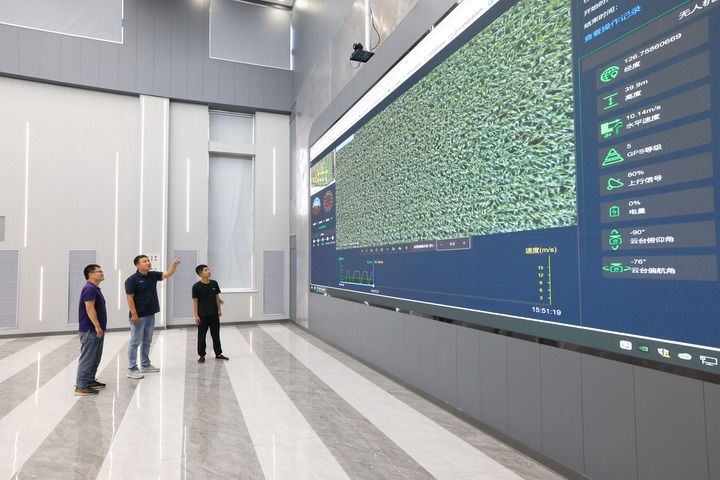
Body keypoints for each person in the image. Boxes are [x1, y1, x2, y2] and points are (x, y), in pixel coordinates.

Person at [125, 255, 181, 378]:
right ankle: (132, 369)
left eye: (148, 261)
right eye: (144, 261)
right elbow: (129, 297)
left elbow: (168, 273)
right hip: (138, 316)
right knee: (135, 342)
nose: (148, 263)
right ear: (137, 265)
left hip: (150, 314)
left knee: (147, 341)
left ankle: (145, 365)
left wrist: (174, 265)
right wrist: (134, 314)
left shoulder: (152, 275)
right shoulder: (132, 280)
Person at [75, 264, 107, 396]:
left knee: (95, 357)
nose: (102, 273)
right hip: (90, 330)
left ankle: (89, 380)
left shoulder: (95, 288)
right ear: (91, 275)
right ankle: (81, 386)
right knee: (88, 358)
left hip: (96, 329)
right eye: (99, 271)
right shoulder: (89, 288)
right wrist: (97, 326)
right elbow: (89, 308)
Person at [192, 264, 229, 363]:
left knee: (216, 335)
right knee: (201, 336)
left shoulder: (214, 283)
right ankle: (202, 355)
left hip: (214, 314)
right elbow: (195, 302)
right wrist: (196, 315)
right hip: (202, 315)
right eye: (206, 270)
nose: (208, 271)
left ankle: (218, 354)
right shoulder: (196, 287)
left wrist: (219, 310)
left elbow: (217, 297)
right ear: (200, 274)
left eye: (208, 269)